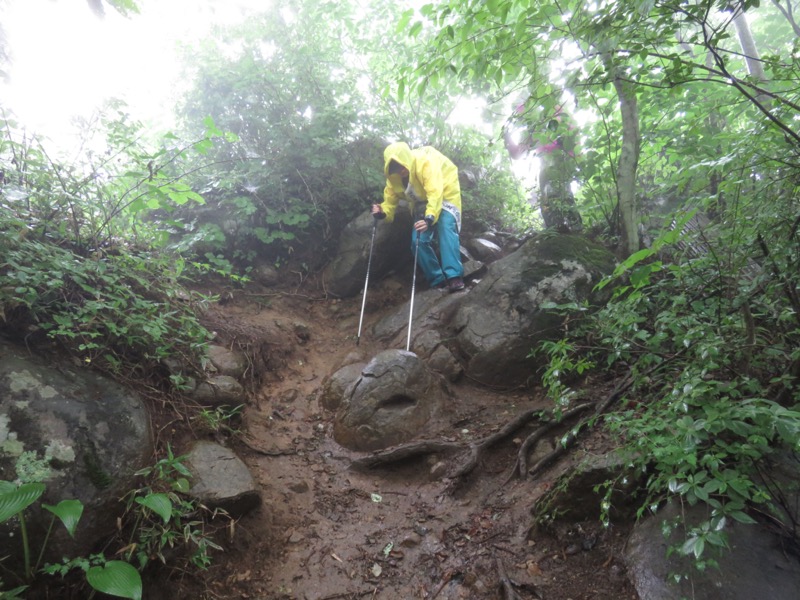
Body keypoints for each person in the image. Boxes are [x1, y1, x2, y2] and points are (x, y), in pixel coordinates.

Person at [371, 142, 465, 292]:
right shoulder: (393, 179)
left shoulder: (425, 162)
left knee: (445, 226)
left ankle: (454, 276)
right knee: (417, 240)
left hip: (445, 192)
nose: (400, 171)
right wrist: (382, 212)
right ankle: (437, 280)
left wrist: (429, 218)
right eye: (395, 168)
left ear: (407, 160)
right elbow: (389, 201)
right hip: (421, 202)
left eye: (401, 165)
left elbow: (435, 191)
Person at [503, 102, 583, 233]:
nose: (521, 118)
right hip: (555, 162)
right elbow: (517, 153)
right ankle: (564, 234)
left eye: (521, 114)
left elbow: (569, 131)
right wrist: (508, 139)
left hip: (559, 161)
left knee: (555, 197)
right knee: (553, 199)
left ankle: (566, 234)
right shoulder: (535, 125)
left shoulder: (551, 111)